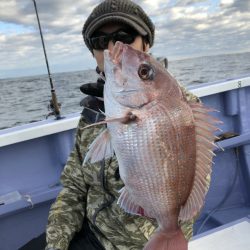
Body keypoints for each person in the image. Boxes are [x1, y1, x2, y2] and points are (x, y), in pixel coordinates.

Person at [20, 1, 201, 250]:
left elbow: (185, 197)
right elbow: (74, 185)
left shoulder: (186, 111)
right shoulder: (94, 111)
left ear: (146, 44)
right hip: (93, 230)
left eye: (124, 36)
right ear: (93, 52)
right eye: (99, 41)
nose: (113, 46)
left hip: (142, 242)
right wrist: (56, 243)